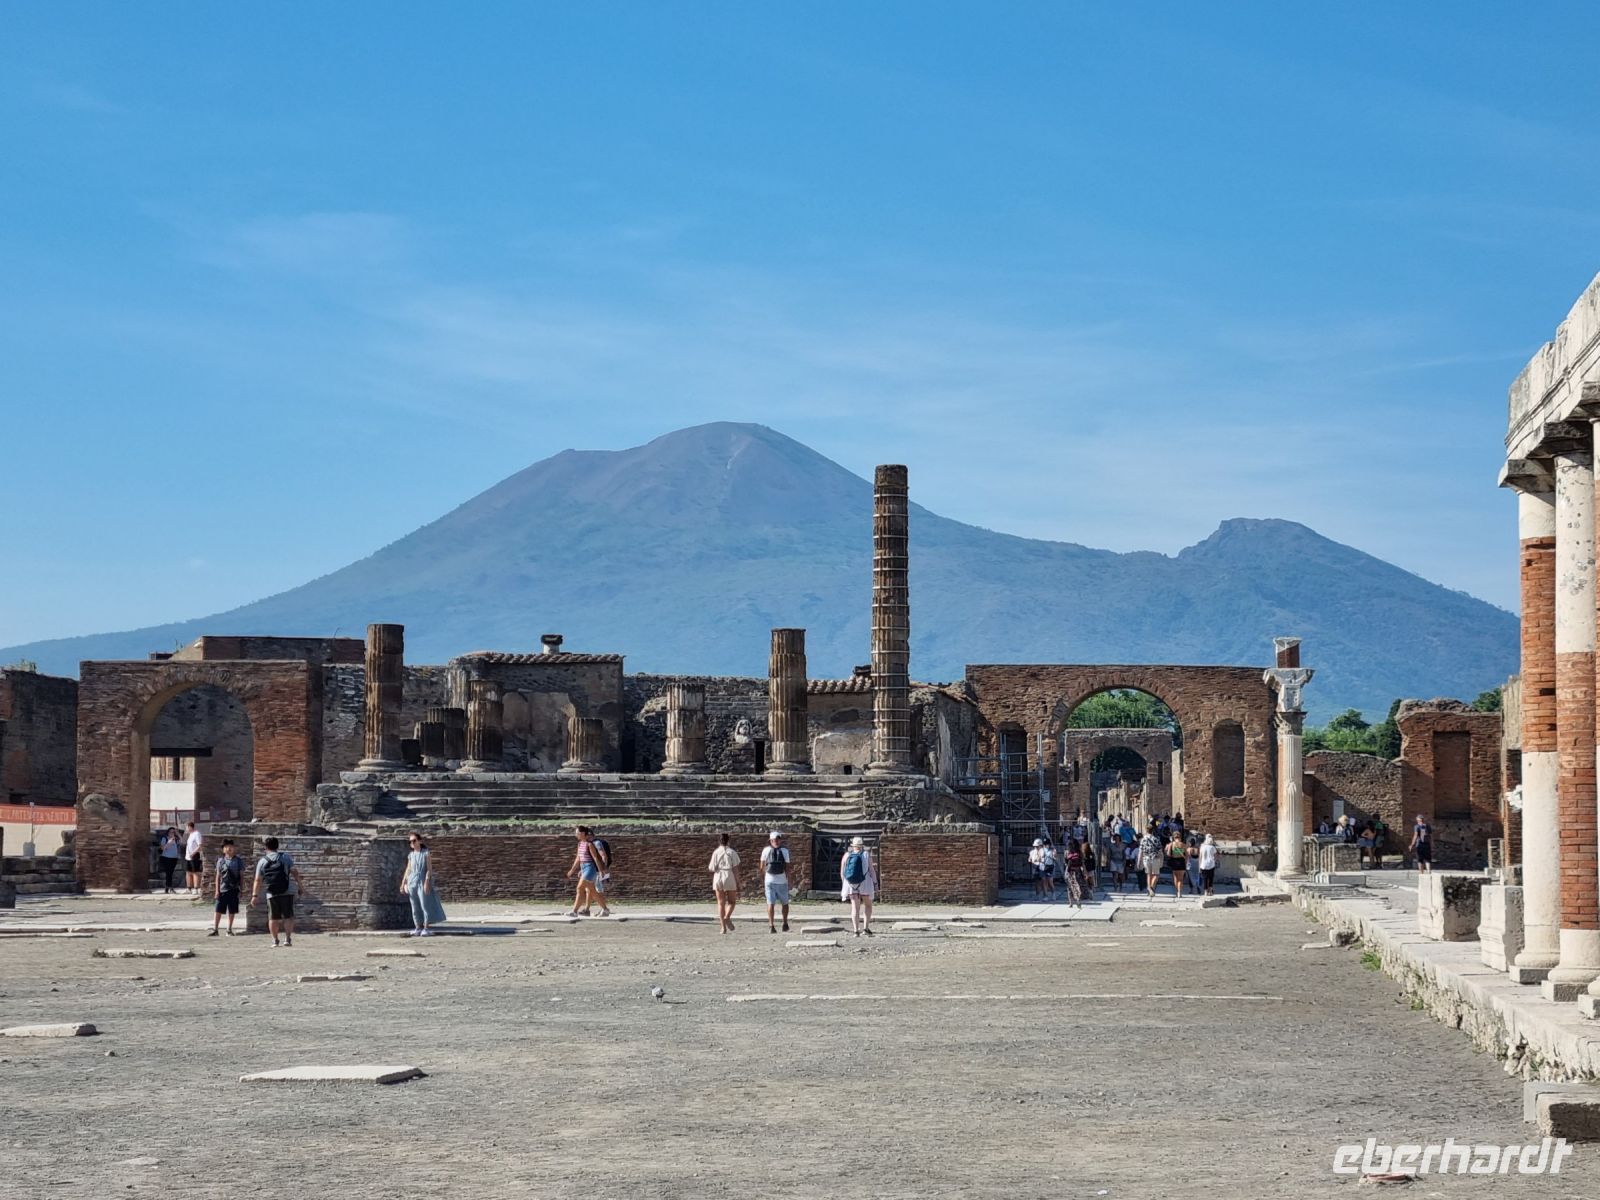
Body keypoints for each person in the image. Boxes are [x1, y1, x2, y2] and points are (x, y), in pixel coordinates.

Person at [250, 836, 304, 948]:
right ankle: (288, 939)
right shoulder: (285, 857)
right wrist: (300, 886)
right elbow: (295, 872)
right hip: (287, 890)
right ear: (277, 846)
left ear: (266, 847)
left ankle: (275, 940)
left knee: (273, 918)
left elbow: (258, 880)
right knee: (288, 916)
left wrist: (255, 895)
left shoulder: (263, 861)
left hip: (271, 893)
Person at [400, 832, 448, 936]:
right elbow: (408, 869)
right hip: (412, 880)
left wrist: (427, 881)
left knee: (424, 904)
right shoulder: (411, 855)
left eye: (414, 841)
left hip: (422, 879)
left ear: (419, 841)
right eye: (410, 842)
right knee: (414, 904)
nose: (412, 843)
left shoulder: (426, 853)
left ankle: (426, 927)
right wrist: (403, 882)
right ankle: (417, 926)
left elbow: (429, 869)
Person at [840, 836, 877, 936]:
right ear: (861, 846)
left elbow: (842, 872)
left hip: (851, 884)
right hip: (865, 883)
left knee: (855, 908)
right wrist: (875, 882)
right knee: (868, 905)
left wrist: (846, 883)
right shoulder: (866, 855)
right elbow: (871, 870)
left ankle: (856, 930)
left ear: (853, 846)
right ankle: (865, 928)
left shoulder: (847, 855)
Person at [563, 826, 604, 916]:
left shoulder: (589, 844)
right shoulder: (580, 844)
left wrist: (600, 870)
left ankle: (574, 911)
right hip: (584, 867)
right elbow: (578, 859)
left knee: (579, 888)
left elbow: (595, 858)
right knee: (591, 890)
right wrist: (572, 871)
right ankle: (605, 909)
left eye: (577, 833)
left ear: (582, 833)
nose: (576, 835)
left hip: (590, 867)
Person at [209, 839, 243, 936]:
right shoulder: (221, 861)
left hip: (234, 889)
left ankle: (229, 929)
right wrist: (217, 890)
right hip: (222, 889)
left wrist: (241, 889)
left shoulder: (238, 861)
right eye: (226, 847)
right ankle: (215, 929)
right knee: (218, 909)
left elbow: (241, 876)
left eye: (231, 847)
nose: (229, 849)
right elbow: (218, 877)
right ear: (223, 850)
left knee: (232, 910)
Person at [760, 830, 792, 933]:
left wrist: (764, 876)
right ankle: (785, 923)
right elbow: (787, 868)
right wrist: (789, 880)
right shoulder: (785, 851)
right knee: (785, 903)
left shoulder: (765, 850)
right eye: (775, 840)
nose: (776, 842)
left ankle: (771, 925)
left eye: (776, 840)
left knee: (770, 903)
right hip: (782, 880)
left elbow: (761, 866)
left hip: (769, 880)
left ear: (770, 841)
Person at [709, 832, 741, 933]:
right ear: (729, 841)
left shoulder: (716, 852)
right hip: (729, 874)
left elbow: (711, 868)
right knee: (732, 901)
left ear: (719, 841)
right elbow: (735, 868)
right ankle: (727, 916)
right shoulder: (732, 852)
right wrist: (738, 881)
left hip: (718, 875)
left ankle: (723, 927)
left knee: (720, 903)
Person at [590, 833, 614, 918]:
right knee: (595, 890)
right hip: (599, 869)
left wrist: (603, 868)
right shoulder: (601, 842)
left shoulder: (596, 843)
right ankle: (600, 909)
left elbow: (604, 856)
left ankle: (604, 909)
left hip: (598, 870)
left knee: (598, 890)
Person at [1139, 823, 1164, 900]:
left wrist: (1138, 861)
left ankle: (1149, 889)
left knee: (1148, 874)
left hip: (1146, 858)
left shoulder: (1143, 839)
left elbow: (1141, 851)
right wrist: (1162, 860)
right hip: (1155, 858)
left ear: (1146, 830)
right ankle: (1152, 887)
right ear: (1153, 831)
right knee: (1156, 874)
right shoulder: (1156, 839)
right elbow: (1160, 850)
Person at [1062, 839, 1087, 909]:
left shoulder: (1066, 852)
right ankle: (1078, 901)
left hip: (1069, 872)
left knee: (1069, 887)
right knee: (1077, 886)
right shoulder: (1079, 853)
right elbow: (1082, 864)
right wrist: (1085, 872)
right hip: (1077, 871)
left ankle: (1070, 903)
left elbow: (1065, 863)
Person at [158, 827, 182, 894]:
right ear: (168, 832)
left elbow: (182, 841)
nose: (172, 833)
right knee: (168, 873)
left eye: (173, 832)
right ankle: (169, 887)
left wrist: (178, 834)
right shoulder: (165, 838)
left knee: (171, 873)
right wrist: (169, 842)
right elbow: (162, 848)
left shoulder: (176, 839)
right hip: (166, 857)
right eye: (171, 832)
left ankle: (168, 887)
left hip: (174, 858)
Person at [1167, 829, 1189, 899]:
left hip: (1174, 861)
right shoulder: (1183, 845)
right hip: (1181, 861)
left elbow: (1168, 854)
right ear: (1180, 837)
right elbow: (1187, 855)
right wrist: (1186, 862)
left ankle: (1177, 891)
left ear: (1173, 837)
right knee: (1181, 879)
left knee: (1175, 878)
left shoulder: (1171, 844)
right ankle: (1179, 892)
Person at [183, 821, 204, 896]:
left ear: (190, 827)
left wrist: (193, 853)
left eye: (186, 827)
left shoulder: (197, 834)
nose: (185, 829)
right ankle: (189, 888)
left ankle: (196, 888)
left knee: (195, 872)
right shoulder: (190, 835)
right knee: (188, 872)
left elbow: (200, 845)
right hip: (188, 857)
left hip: (194, 856)